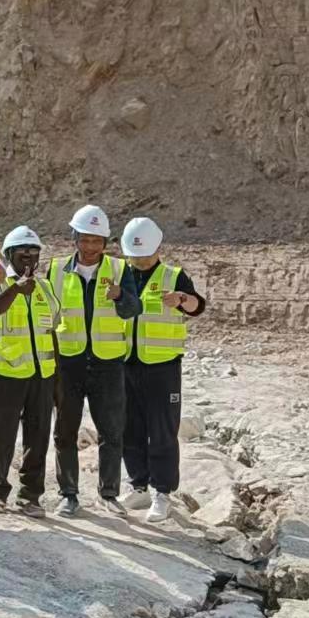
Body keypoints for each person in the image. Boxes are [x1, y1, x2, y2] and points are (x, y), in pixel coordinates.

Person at [47, 205, 141, 517]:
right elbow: (46, 314)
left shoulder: (118, 269)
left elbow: (132, 309)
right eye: (84, 240)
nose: (90, 248)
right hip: (69, 361)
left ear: (106, 242)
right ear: (74, 238)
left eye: (96, 241)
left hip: (108, 363)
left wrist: (120, 297)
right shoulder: (56, 269)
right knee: (65, 431)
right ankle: (69, 494)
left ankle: (109, 493)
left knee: (112, 431)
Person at [118, 217, 208, 524]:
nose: (139, 260)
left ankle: (162, 492)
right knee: (130, 428)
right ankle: (138, 484)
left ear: (158, 248)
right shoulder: (122, 274)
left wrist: (182, 299)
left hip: (162, 367)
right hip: (127, 363)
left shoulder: (174, 276)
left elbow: (198, 306)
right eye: (134, 255)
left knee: (162, 432)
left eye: (144, 255)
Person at [0, 226, 59, 516]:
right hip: (5, 374)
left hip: (41, 374)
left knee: (38, 435)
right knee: (3, 434)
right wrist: (14, 287)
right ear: (9, 255)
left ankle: (30, 496)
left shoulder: (46, 289)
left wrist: (56, 378)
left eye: (33, 252)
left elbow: (52, 329)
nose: (28, 256)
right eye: (21, 252)